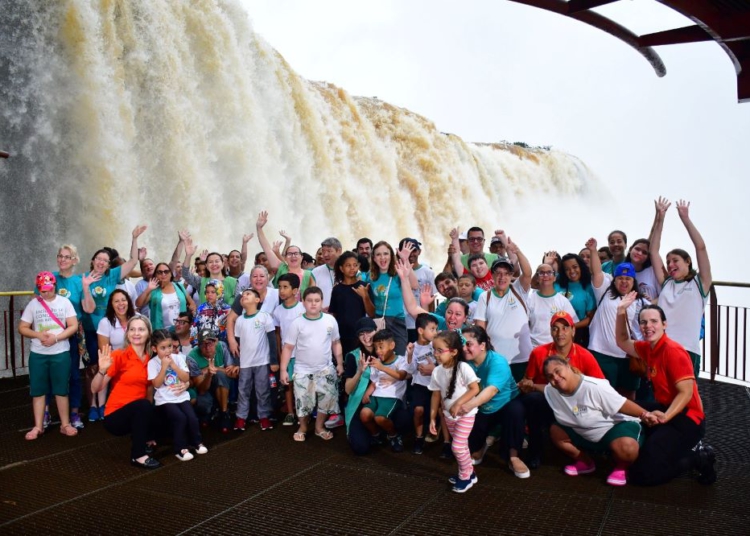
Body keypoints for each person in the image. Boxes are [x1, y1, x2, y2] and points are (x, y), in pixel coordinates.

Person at [615, 295, 716, 485]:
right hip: (665, 408)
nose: (648, 326)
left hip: (687, 419)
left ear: (664, 324)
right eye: (643, 322)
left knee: (641, 476)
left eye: (654, 321)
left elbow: (685, 393)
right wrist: (621, 312)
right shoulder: (648, 348)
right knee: (624, 407)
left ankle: (698, 457)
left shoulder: (673, 351)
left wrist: (664, 418)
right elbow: (622, 341)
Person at [517, 312, 605, 468]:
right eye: (555, 328)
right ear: (550, 332)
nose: (560, 333)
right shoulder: (539, 353)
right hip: (547, 402)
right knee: (532, 401)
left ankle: (588, 449)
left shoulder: (585, 355)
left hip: (575, 405)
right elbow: (527, 380)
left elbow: (602, 385)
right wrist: (526, 384)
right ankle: (535, 452)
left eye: (565, 328)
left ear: (573, 330)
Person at [543, 356, 648, 486]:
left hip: (613, 427)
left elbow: (622, 404)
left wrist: (645, 414)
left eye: (558, 371)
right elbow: (543, 388)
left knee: (627, 448)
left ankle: (622, 467)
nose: (555, 377)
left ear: (568, 366)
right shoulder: (550, 390)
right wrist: (529, 385)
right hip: (584, 431)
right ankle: (585, 462)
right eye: (550, 376)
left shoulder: (595, 386)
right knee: (556, 431)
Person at [82, 226, 147, 421]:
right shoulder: (82, 279)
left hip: (110, 326)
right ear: (93, 261)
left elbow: (134, 261)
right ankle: (93, 404)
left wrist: (134, 238)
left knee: (108, 365)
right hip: (90, 328)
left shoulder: (111, 276)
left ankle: (105, 404)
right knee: (92, 369)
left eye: (105, 260)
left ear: (108, 264)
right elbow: (86, 308)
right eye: (98, 259)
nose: (101, 262)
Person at [456, 326, 530, 478]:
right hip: (482, 408)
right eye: (462, 343)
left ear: (482, 345)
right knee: (470, 445)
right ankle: (482, 444)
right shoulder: (463, 362)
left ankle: (514, 456)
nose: (464, 348)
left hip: (505, 404)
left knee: (515, 411)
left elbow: (491, 390)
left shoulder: (497, 362)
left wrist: (466, 406)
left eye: (468, 344)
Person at [649, 197, 712, 375]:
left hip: (687, 350)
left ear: (688, 262)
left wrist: (685, 219)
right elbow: (654, 251)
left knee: (686, 399)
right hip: (661, 347)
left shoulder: (700, 284)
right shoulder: (667, 283)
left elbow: (701, 247)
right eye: (668, 262)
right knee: (661, 397)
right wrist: (660, 218)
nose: (670, 265)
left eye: (675, 260)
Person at [39, 244, 98, 430]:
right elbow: (38, 304)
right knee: (48, 374)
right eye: (60, 256)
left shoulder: (79, 281)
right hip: (50, 334)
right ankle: (46, 411)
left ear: (74, 260)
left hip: (71, 334)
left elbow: (89, 309)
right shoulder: (49, 277)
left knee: (73, 373)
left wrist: (86, 288)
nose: (62, 259)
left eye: (67, 256)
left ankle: (74, 412)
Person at [93, 315, 164, 469]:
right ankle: (138, 456)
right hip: (115, 416)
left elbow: (149, 391)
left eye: (141, 329)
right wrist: (101, 371)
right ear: (127, 334)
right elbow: (95, 388)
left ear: (148, 333)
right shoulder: (119, 355)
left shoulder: (150, 359)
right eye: (132, 329)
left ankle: (143, 439)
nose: (136, 333)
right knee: (143, 406)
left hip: (138, 411)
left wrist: (149, 431)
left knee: (159, 410)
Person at [19, 272, 80, 440]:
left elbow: (73, 325)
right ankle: (38, 426)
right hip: (38, 353)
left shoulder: (65, 302)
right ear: (38, 289)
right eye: (42, 290)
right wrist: (38, 335)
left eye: (49, 289)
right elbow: (22, 327)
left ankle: (65, 424)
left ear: (54, 286)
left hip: (60, 352)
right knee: (38, 391)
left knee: (61, 390)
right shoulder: (33, 304)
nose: (46, 293)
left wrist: (56, 338)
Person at [279, 287, 344, 442]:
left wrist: (340, 363)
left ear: (322, 302)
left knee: (326, 400)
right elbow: (288, 347)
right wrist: (283, 370)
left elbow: (336, 342)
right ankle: (302, 427)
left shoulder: (330, 320)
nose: (313, 304)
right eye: (309, 300)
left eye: (317, 300)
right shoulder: (297, 323)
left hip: (325, 369)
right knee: (303, 401)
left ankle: (319, 427)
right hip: (302, 370)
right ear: (303, 302)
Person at [587, 238, 647, 400]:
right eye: (620, 278)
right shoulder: (605, 290)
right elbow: (597, 272)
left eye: (628, 279)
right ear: (614, 279)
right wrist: (593, 250)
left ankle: (628, 424)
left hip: (627, 357)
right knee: (601, 396)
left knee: (628, 396)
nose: (624, 282)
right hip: (601, 353)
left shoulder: (640, 301)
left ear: (633, 281)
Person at [428, 331, 481, 493]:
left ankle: (465, 476)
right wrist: (432, 418)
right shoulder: (437, 371)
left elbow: (475, 389)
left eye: (440, 350)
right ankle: (468, 473)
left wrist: (458, 404)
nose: (436, 354)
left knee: (457, 447)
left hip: (466, 415)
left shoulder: (463, 367)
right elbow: (435, 395)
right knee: (462, 446)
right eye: (434, 350)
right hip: (449, 416)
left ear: (453, 351)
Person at [474, 241, 533, 382]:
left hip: (523, 358)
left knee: (524, 395)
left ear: (511, 275)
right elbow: (479, 329)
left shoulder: (519, 289)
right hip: (497, 358)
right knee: (500, 398)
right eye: (498, 273)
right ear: (492, 275)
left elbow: (528, 273)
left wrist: (517, 250)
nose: (502, 277)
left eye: (506, 274)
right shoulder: (485, 296)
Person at [148, 329, 207, 461]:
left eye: (169, 346)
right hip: (165, 399)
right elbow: (156, 384)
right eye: (163, 348)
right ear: (154, 348)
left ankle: (196, 442)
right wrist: (164, 368)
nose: (168, 350)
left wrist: (174, 365)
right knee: (180, 418)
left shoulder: (178, 358)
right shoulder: (152, 363)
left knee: (192, 417)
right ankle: (180, 449)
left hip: (181, 396)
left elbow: (186, 378)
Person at [359, 329, 411, 452]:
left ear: (392, 345)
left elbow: (401, 376)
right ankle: (376, 435)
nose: (378, 351)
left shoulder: (400, 360)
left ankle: (393, 435)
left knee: (380, 418)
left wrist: (382, 367)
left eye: (381, 347)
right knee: (364, 415)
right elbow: (374, 382)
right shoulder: (377, 363)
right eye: (376, 348)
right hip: (376, 395)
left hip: (392, 397)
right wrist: (367, 393)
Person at [233, 288, 278, 432]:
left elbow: (272, 341)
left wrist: (274, 361)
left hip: (262, 362)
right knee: (243, 391)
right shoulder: (239, 320)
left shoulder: (264, 316)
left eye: (248, 294)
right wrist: (236, 363)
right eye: (243, 295)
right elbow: (238, 344)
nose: (244, 296)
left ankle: (264, 417)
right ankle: (241, 418)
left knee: (262, 390)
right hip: (245, 363)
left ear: (257, 300)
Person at [363, 241, 417, 355]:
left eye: (386, 254)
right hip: (379, 322)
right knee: (382, 356)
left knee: (400, 355)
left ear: (391, 256)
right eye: (378, 254)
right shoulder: (370, 276)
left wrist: (405, 260)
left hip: (397, 320)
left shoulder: (398, 272)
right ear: (373, 258)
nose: (382, 258)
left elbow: (414, 285)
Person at [186, 328, 236, 433]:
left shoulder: (222, 347)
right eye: (204, 344)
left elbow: (233, 374)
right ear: (198, 345)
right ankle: (212, 410)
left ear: (216, 342)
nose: (208, 347)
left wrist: (216, 369)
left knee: (219, 375)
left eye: (211, 343)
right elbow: (201, 389)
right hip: (206, 389)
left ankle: (224, 413)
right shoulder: (192, 357)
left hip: (225, 385)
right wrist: (209, 374)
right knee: (202, 405)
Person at [272, 274, 305, 427]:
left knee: (303, 384)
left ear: (295, 290)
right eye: (280, 287)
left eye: (285, 287)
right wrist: (279, 354)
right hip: (287, 354)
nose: (282, 290)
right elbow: (278, 334)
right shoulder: (278, 311)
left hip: (302, 353)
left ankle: (303, 412)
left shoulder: (303, 308)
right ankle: (291, 412)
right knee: (288, 384)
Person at [227, 265, 281, 357]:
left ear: (267, 279)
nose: (258, 279)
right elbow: (230, 319)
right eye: (255, 276)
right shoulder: (243, 296)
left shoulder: (277, 294)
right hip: (247, 346)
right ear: (250, 279)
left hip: (270, 345)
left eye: (262, 276)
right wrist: (232, 341)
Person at [174, 230, 237, 306]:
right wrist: (188, 255)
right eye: (210, 262)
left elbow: (238, 305)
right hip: (204, 317)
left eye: (217, 261)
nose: (214, 264)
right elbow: (185, 275)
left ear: (223, 264)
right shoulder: (201, 281)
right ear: (206, 266)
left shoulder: (234, 282)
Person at [408, 313, 439, 455]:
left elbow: (445, 364)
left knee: (439, 410)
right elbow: (410, 371)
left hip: (436, 385)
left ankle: (444, 440)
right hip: (420, 385)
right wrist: (409, 355)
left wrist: (434, 369)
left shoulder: (436, 345)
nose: (436, 332)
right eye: (432, 329)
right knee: (418, 410)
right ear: (421, 331)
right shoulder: (412, 348)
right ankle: (418, 437)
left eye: (436, 329)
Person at [328, 251, 371, 355]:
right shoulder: (337, 289)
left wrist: (365, 296)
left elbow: (372, 313)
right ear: (341, 268)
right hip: (341, 334)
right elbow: (333, 314)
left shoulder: (364, 286)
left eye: (355, 265)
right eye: (348, 265)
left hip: (360, 334)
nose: (352, 268)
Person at [527, 263, 578, 347]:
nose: (545, 275)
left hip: (557, 349)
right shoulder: (529, 299)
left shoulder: (563, 301)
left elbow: (572, 326)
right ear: (537, 278)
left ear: (554, 278)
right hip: (534, 348)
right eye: (541, 273)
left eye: (549, 272)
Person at [398, 237, 437, 342]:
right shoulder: (397, 271)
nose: (410, 253)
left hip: (419, 322)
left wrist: (430, 324)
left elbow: (431, 300)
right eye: (407, 250)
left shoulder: (428, 273)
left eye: (414, 250)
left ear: (419, 252)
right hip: (401, 322)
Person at [136, 262, 195, 329]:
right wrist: (148, 289)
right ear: (155, 275)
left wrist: (191, 314)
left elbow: (192, 304)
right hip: (161, 333)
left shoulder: (179, 286)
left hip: (180, 330)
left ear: (171, 274)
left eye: (166, 271)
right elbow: (138, 304)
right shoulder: (153, 290)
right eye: (159, 272)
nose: (163, 274)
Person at [555, 253, 596, 347]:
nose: (572, 271)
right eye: (567, 269)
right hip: (553, 334)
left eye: (575, 267)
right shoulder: (556, 285)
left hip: (578, 335)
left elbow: (591, 318)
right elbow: (534, 284)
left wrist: (571, 327)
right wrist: (547, 263)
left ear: (581, 267)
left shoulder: (588, 287)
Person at [191, 279, 231, 344]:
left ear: (220, 292)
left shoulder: (227, 309)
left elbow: (229, 330)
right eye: (207, 292)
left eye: (213, 292)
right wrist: (195, 342)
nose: (209, 295)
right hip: (203, 344)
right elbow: (194, 327)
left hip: (221, 345)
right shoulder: (201, 308)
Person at [311, 237, 342, 310]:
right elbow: (311, 295)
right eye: (323, 251)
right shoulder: (315, 272)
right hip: (323, 315)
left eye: (329, 251)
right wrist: (320, 309)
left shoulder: (352, 271)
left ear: (339, 251)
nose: (325, 255)